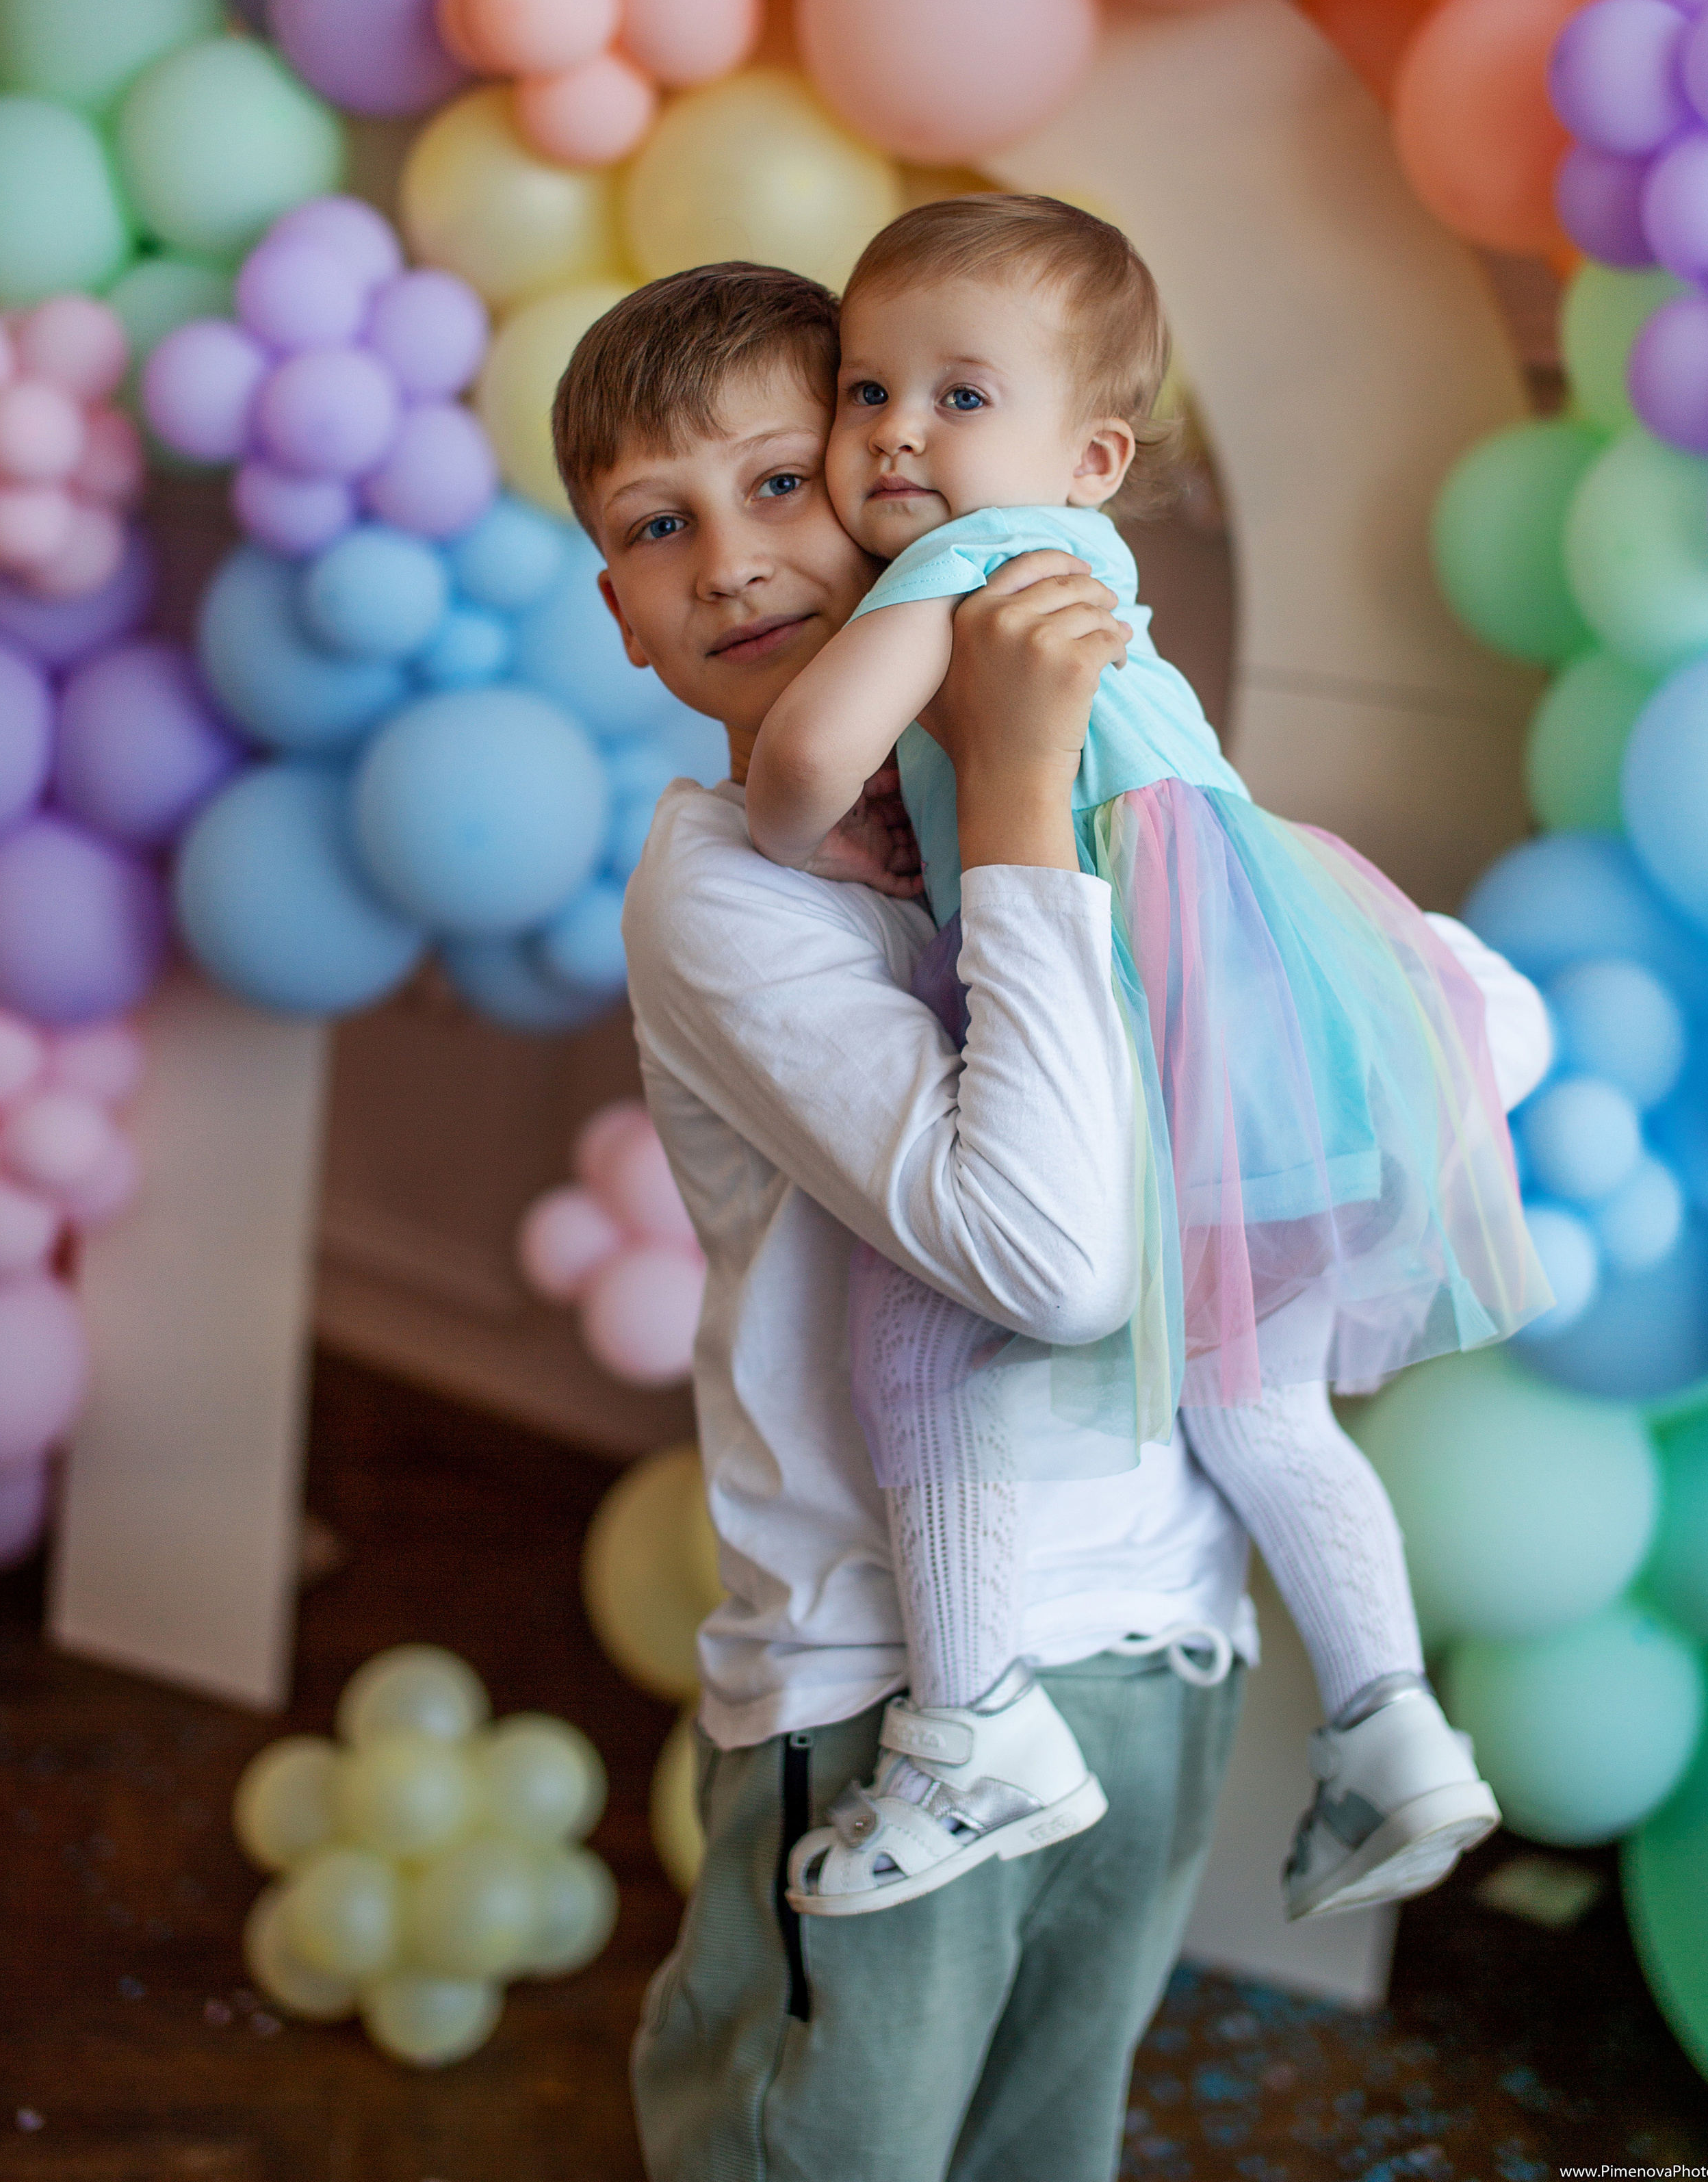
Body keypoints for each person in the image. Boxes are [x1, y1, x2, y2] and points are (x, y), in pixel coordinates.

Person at [742, 194, 1552, 1930]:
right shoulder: (1080, 579)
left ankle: (970, 1733)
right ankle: (1392, 1725)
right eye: (866, 389)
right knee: (1254, 1390)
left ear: (1087, 456)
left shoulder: (975, 559)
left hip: (1130, 1002)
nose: (895, 432)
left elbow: (806, 759)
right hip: (1258, 1011)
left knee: (921, 1337)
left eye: (961, 397)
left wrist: (793, 823)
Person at [554, 260, 1258, 2182]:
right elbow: (1046, 1259)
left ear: (894, 486)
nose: (732, 560)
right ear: (614, 609)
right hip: (891, 1696)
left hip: (1157, 1623)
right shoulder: (725, 896)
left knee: (1051, 2142)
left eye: (786, 482)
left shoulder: (1056, 799)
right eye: (656, 526)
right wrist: (1022, 774)